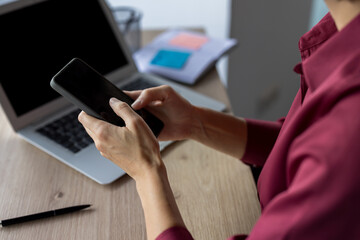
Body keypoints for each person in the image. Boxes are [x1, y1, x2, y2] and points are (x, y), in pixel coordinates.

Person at [78, 0, 360, 239]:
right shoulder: (342, 33)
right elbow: (298, 144)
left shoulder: (348, 133)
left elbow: (330, 152)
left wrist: (146, 170)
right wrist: (194, 123)